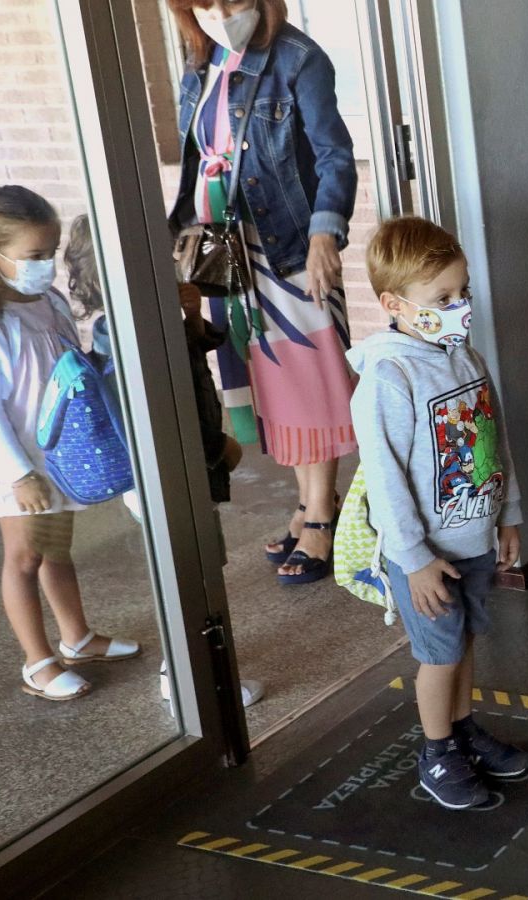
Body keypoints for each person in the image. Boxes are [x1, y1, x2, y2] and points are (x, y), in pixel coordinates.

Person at [166, 0, 358, 585]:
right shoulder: (201, 61)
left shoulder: (300, 59)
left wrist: (327, 233)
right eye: (206, 3)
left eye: (236, 1)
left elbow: (334, 155)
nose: (222, 13)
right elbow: (198, 157)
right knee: (271, 382)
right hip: (232, 255)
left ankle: (323, 512)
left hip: (290, 248)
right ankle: (306, 504)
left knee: (310, 378)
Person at [348, 216, 528, 810]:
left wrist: (508, 513)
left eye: (463, 293)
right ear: (393, 304)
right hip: (424, 553)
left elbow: (493, 440)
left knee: (465, 640)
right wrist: (415, 558)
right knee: (438, 651)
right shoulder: (388, 374)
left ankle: (461, 728)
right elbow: (386, 479)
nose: (460, 307)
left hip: (474, 531)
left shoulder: (464, 355)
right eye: (442, 299)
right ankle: (435, 750)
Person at [0, 186, 141, 702]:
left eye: (49, 253)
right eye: (33, 257)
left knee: (56, 551)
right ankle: (38, 660)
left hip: (57, 455)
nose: (46, 265)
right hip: (20, 467)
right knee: (25, 558)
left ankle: (77, 638)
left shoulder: (47, 301)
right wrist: (18, 474)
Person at [62, 216, 264, 709]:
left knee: (198, 568)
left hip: (183, 468)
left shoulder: (148, 319)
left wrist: (192, 319)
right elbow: (167, 414)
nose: (176, 260)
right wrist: (219, 450)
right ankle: (187, 679)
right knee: (189, 574)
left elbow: (192, 368)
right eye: (164, 255)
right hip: (169, 475)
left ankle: (188, 670)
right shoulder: (127, 333)